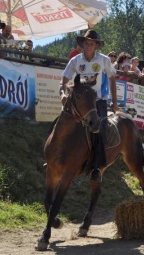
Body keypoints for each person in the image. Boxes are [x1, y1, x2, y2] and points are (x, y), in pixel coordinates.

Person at [60, 30, 117, 182]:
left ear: (96, 45)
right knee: (61, 123)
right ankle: (55, 158)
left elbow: (112, 78)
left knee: (100, 130)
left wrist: (115, 102)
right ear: (82, 44)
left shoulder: (104, 60)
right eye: (86, 43)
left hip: (98, 100)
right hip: (79, 101)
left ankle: (97, 167)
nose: (89, 46)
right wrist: (63, 94)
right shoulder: (75, 60)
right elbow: (64, 79)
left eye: (92, 43)